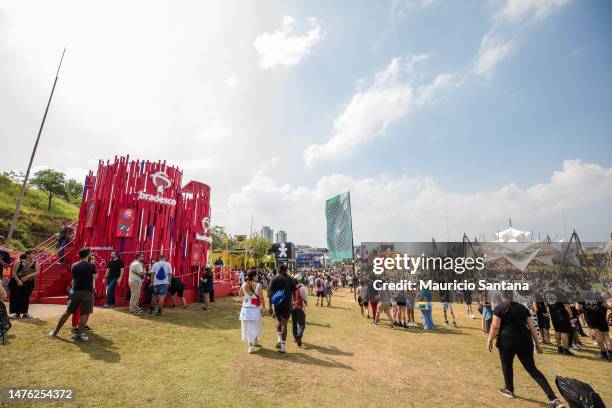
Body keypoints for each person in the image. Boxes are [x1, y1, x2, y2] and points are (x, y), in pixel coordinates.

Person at [487, 297, 564, 407]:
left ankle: (509, 389)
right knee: (532, 369)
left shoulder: (499, 308)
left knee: (507, 364)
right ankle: (554, 399)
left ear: (502, 297)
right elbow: (532, 326)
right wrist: (537, 344)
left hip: (507, 340)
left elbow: (495, 326)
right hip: (525, 340)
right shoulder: (523, 308)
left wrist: (489, 339)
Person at [49, 247, 97, 343]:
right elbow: (95, 277)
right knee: (84, 314)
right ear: (88, 255)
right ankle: (78, 336)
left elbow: (74, 279)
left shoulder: (74, 265)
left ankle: (55, 331)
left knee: (67, 312)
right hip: (87, 292)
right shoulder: (92, 266)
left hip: (75, 291)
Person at [268, 264, 296, 355]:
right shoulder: (290, 279)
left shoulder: (274, 279)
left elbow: (270, 293)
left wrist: (270, 305)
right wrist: (294, 301)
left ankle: (279, 340)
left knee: (278, 321)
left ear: (278, 270)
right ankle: (283, 347)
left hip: (277, 303)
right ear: (286, 270)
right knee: (285, 324)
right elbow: (294, 291)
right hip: (287, 303)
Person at [239, 269, 265, 353]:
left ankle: (254, 341)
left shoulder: (244, 284)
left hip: (245, 308)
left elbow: (240, 295)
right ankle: (251, 345)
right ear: (253, 276)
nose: (257, 277)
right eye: (256, 275)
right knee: (254, 326)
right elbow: (261, 298)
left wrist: (247, 294)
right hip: (254, 308)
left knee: (247, 326)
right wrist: (263, 309)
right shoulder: (258, 285)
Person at [8, 249, 39, 319]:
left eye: (35, 253)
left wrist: (27, 277)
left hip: (29, 282)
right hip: (17, 282)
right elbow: (13, 273)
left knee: (25, 297)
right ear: (27, 254)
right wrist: (18, 281)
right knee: (16, 296)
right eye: (33, 253)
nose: (34, 255)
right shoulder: (19, 262)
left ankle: (25, 313)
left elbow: (37, 272)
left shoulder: (35, 262)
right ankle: (17, 313)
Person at [291, 277, 308, 347]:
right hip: (300, 307)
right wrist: (306, 302)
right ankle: (299, 336)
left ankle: (295, 337)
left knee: (294, 323)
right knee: (301, 324)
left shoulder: (290, 289)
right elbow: (305, 297)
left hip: (293, 308)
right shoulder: (302, 287)